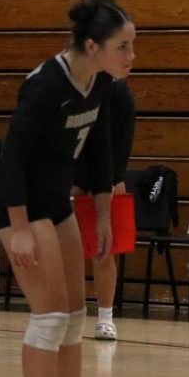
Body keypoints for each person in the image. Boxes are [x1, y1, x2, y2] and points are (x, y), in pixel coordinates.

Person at [0, 0, 135, 377]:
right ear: (92, 46)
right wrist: (16, 229)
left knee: (75, 315)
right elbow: (11, 157)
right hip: (22, 207)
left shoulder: (101, 86)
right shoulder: (46, 85)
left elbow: (100, 154)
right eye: (123, 46)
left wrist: (104, 215)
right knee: (50, 316)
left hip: (56, 205)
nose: (131, 56)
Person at [73, 79, 135, 341]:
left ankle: (105, 318)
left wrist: (109, 181)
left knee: (103, 251)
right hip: (74, 175)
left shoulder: (118, 92)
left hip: (107, 177)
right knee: (65, 249)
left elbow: (122, 143)